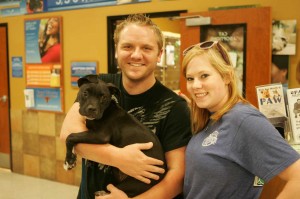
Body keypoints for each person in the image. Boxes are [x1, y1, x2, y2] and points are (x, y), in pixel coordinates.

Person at [60, 14, 191, 199]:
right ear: (116, 50)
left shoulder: (175, 107)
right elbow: (68, 134)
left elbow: (177, 178)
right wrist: (119, 158)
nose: (136, 55)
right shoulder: (98, 85)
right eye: (128, 46)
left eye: (146, 48)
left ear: (159, 54)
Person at [181, 40, 300, 199]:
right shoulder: (212, 117)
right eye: (190, 78)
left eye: (204, 76)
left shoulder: (243, 119)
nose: (195, 85)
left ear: (227, 77)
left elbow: (297, 177)